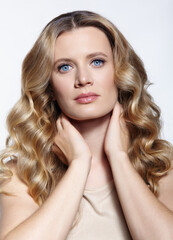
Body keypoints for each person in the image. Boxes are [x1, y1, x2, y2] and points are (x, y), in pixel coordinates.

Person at [0, 10, 173, 240]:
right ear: (49, 87)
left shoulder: (161, 166)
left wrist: (119, 157)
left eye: (97, 62)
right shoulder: (22, 174)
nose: (83, 79)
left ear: (120, 73)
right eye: (65, 67)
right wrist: (79, 164)